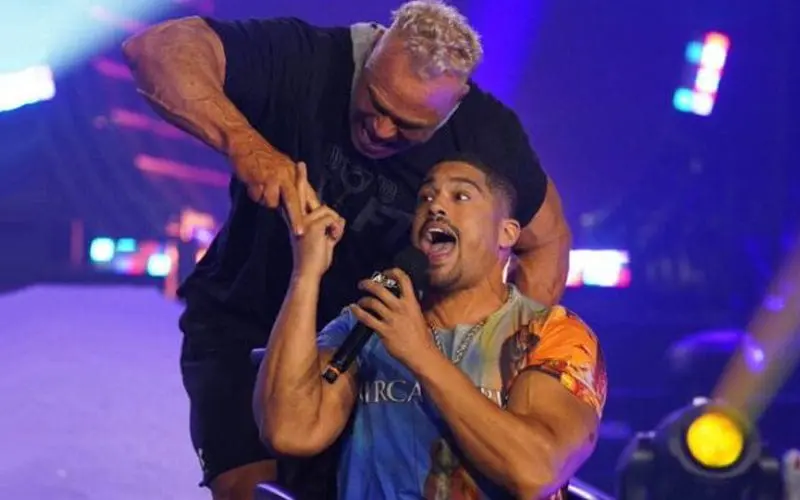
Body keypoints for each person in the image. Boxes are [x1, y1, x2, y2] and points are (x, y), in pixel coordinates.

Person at [122, 0, 571, 498]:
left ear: (453, 106)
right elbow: (156, 48)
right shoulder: (309, 61)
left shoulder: (487, 134)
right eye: (376, 101)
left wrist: (499, 362)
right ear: (375, 51)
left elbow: (546, 240)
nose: (381, 129)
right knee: (254, 491)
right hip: (244, 323)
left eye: (408, 125)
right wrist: (246, 145)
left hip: (375, 348)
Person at [257, 155, 606, 500]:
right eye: (426, 196)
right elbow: (289, 431)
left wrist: (420, 353)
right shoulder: (369, 322)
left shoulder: (551, 333)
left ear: (506, 233)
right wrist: (305, 274)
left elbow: (535, 471)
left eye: (461, 196)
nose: (435, 205)